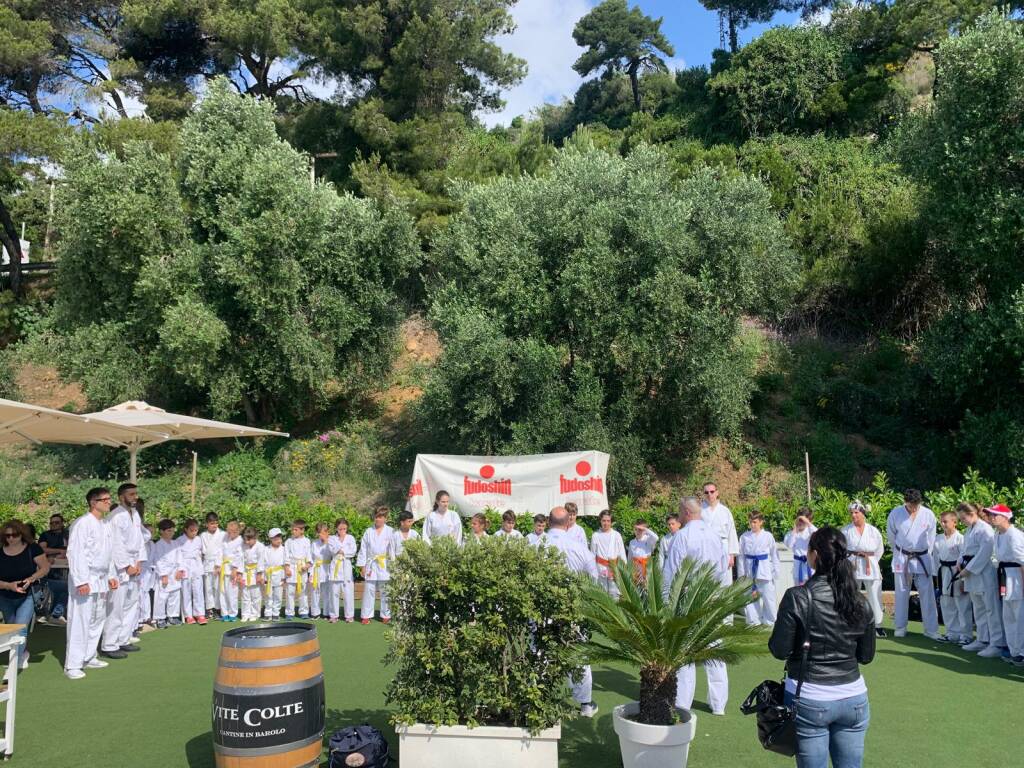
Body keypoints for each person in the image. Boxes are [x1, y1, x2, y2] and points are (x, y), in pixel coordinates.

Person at [769, 527, 876, 768]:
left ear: (814, 555)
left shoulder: (798, 596)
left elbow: (779, 649)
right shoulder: (859, 600)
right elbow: (866, 656)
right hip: (854, 696)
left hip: (810, 696)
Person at [664, 496, 729, 715]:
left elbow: (671, 572)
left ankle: (683, 703)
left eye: (679, 512)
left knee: (685, 651)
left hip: (689, 598)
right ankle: (718, 704)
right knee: (714, 648)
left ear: (686, 512)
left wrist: (667, 601)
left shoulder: (682, 536)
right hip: (713, 595)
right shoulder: (714, 535)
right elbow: (722, 567)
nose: (678, 516)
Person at [544, 505, 600, 718]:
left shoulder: (534, 545)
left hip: (542, 609)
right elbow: (593, 581)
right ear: (568, 523)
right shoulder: (580, 549)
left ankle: (539, 698)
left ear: (549, 522)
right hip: (573, 610)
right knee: (578, 655)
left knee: (539, 652)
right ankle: (585, 704)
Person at [65, 488, 118, 680]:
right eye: (104, 499)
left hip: (101, 577)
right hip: (86, 577)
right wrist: (81, 581)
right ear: (93, 502)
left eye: (109, 499)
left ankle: (89, 656)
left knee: (97, 618)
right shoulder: (82, 524)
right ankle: (73, 664)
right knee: (80, 620)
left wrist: (112, 574)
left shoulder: (105, 524)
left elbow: (108, 552)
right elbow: (75, 553)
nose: (108, 502)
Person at [886, 489, 940, 639]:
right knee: (901, 592)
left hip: (922, 556)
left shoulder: (928, 514)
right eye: (910, 506)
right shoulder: (895, 514)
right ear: (905, 502)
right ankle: (900, 626)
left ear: (920, 502)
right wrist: (900, 552)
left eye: (915, 505)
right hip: (902, 556)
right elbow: (891, 536)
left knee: (927, 593)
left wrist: (925, 553)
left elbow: (931, 538)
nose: (913, 509)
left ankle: (931, 629)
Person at [100, 483, 145, 659]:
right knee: (116, 607)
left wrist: (139, 561)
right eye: (131, 494)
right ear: (121, 497)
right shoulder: (116, 516)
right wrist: (127, 566)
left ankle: (123, 638)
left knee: (131, 604)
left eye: (136, 494)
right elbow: (116, 545)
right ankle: (110, 644)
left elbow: (140, 539)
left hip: (134, 564)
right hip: (120, 568)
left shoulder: (134, 514)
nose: (135, 497)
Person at [955, 502, 1004, 656]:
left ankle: (997, 643)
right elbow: (965, 550)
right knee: (978, 608)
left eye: (963, 518)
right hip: (970, 573)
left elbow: (985, 552)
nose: (962, 521)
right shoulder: (969, 530)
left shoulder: (985, 529)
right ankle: (983, 639)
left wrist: (968, 570)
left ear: (972, 514)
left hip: (984, 573)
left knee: (991, 609)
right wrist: (959, 562)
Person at [0, 519, 49, 671]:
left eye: (14, 535)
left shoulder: (32, 548)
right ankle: (22, 653)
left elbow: (45, 567)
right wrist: (9, 586)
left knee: (20, 627)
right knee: (11, 627)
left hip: (28, 594)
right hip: (5, 595)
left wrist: (32, 578)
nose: (11, 538)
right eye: (7, 536)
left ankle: (13, 666)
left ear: (22, 534)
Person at [842, 501, 886, 638]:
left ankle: (877, 625)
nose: (853, 515)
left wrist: (871, 562)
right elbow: (841, 548)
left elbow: (879, 550)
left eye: (856, 512)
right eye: (851, 513)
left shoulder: (873, 531)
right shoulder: (845, 530)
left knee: (874, 595)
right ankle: (850, 622)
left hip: (870, 565)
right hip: (852, 564)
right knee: (851, 594)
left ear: (863, 513)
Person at [988, 504, 1024, 666]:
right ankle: (1014, 650)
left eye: (995, 515)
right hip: (1005, 576)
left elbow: (1023, 561)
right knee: (1008, 616)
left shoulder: (1014, 535)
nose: (992, 517)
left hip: (1017, 577)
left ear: (1005, 517)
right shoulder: (998, 534)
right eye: (990, 515)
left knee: (1020, 616)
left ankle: (1022, 653)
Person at [932, 510, 971, 644]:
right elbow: (936, 559)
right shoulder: (938, 538)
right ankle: (951, 633)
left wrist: (964, 580)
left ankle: (965, 635)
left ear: (955, 522)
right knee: (946, 603)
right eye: (941, 521)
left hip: (957, 572)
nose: (943, 524)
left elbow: (965, 559)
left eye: (946, 521)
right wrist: (937, 578)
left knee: (962, 604)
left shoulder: (961, 538)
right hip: (943, 572)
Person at [738, 511, 781, 627]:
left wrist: (775, 571)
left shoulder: (768, 536)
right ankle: (753, 621)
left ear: (761, 522)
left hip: (764, 571)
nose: (752, 525)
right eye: (751, 522)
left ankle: (770, 621)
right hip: (750, 571)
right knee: (751, 598)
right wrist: (742, 574)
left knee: (769, 598)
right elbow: (741, 557)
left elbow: (774, 554)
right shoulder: (744, 537)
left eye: (755, 522)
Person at [357, 508, 394, 624]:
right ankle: (366, 615)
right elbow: (363, 549)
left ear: (385, 519)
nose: (378, 519)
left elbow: (393, 549)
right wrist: (362, 566)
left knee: (385, 590)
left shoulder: (391, 531)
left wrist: (393, 565)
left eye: (381, 517)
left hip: (385, 563)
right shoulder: (368, 531)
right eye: (376, 516)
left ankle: (386, 615)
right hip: (371, 563)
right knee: (369, 589)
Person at [701, 482, 739, 585]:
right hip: (705, 547)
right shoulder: (699, 511)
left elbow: (732, 532)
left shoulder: (725, 511)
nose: (709, 494)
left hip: (723, 547)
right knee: (706, 577)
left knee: (724, 578)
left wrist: (732, 555)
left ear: (717, 492)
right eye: (706, 492)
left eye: (712, 491)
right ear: (703, 494)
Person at [151, 519, 183, 629]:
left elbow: (180, 557)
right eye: (169, 531)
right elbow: (158, 560)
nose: (172, 533)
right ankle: (160, 618)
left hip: (175, 572)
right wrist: (163, 575)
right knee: (162, 596)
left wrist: (180, 570)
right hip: (164, 574)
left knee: (175, 595)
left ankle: (172, 616)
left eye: (173, 531)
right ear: (162, 531)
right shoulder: (158, 545)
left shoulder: (175, 543)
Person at [38, 513, 69, 623]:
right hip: (48, 572)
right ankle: (55, 614)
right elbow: (42, 550)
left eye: (57, 522)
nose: (54, 525)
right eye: (51, 523)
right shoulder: (45, 535)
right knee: (65, 587)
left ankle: (54, 613)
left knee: (65, 587)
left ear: (62, 523)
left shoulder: (68, 534)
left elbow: (72, 549)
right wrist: (59, 551)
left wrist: (61, 554)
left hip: (67, 569)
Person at [175, 518, 206, 625]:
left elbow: (202, 552)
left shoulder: (198, 539)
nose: (194, 532)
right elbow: (178, 556)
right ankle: (188, 615)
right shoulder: (179, 540)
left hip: (196, 566)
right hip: (185, 566)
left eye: (196, 530)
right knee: (186, 591)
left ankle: (200, 613)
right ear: (186, 529)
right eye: (191, 530)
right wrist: (180, 568)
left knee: (198, 591)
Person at [590, 510, 626, 597]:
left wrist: (624, 570)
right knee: (602, 594)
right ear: (600, 521)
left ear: (611, 522)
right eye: (604, 521)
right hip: (600, 568)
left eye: (608, 521)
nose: (606, 523)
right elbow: (592, 555)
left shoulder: (617, 535)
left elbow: (622, 553)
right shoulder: (595, 535)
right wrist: (593, 571)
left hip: (615, 568)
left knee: (615, 594)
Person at [327, 519, 357, 623]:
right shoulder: (331, 538)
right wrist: (341, 549)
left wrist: (342, 551)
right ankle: (333, 615)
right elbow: (332, 550)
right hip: (335, 566)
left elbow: (353, 551)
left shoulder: (350, 538)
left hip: (346, 566)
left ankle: (349, 615)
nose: (342, 530)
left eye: (344, 528)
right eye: (340, 529)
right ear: (336, 528)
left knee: (348, 592)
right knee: (334, 592)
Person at [282, 519, 311, 620]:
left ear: (302, 530)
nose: (293, 531)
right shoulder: (288, 542)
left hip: (302, 568)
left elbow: (309, 556)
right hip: (292, 567)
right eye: (292, 529)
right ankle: (289, 612)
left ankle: (304, 611)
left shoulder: (307, 541)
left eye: (295, 530)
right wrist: (286, 568)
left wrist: (306, 566)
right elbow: (286, 556)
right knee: (290, 591)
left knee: (303, 591)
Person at [200, 513, 226, 618]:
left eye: (216, 523)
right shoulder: (203, 535)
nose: (214, 525)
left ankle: (217, 608)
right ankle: (209, 608)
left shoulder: (222, 534)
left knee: (217, 587)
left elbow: (222, 550)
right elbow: (202, 551)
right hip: (207, 563)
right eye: (212, 523)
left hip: (217, 564)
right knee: (208, 588)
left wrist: (218, 565)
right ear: (207, 524)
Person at [784, 508, 817, 586]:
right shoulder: (791, 534)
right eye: (799, 519)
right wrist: (795, 529)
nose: (800, 522)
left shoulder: (811, 532)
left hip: (810, 566)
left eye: (803, 521)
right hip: (798, 567)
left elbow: (818, 535)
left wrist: (808, 523)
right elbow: (789, 545)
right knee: (798, 592)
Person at [240, 527, 265, 622]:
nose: (247, 542)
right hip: (246, 571)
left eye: (248, 540)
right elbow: (240, 559)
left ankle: (255, 613)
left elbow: (261, 561)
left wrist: (259, 574)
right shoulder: (243, 546)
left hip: (255, 572)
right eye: (245, 540)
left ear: (255, 538)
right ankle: (245, 613)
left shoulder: (260, 546)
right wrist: (240, 573)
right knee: (245, 594)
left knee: (255, 595)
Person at [219, 522, 243, 622]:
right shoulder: (225, 539)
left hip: (233, 570)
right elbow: (220, 552)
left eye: (232, 532)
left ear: (237, 531)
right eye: (228, 532)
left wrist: (235, 569)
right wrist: (218, 565)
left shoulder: (240, 541)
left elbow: (239, 556)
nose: (229, 534)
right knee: (222, 592)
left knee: (232, 593)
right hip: (224, 568)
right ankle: (224, 613)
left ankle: (233, 613)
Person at [263, 528, 287, 620]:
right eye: (276, 539)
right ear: (270, 539)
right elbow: (263, 563)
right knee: (268, 595)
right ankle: (268, 613)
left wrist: (284, 577)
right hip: (268, 575)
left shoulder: (284, 550)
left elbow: (285, 563)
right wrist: (263, 576)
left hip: (279, 574)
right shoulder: (266, 549)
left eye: (280, 538)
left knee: (278, 595)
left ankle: (276, 613)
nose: (278, 540)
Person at [309, 522, 332, 619]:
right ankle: (315, 613)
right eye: (318, 533)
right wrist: (310, 572)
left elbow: (334, 555)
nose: (320, 535)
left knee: (327, 592)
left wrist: (327, 542)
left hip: (327, 568)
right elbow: (310, 558)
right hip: (316, 569)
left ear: (327, 532)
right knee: (315, 592)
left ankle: (326, 612)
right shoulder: (314, 543)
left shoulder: (331, 542)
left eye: (322, 532)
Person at [628, 520, 659, 584]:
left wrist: (645, 529)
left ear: (645, 531)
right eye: (636, 529)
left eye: (640, 530)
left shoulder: (648, 540)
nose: (637, 531)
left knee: (646, 586)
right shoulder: (632, 542)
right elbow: (630, 557)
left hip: (646, 567)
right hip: (635, 568)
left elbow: (656, 538)